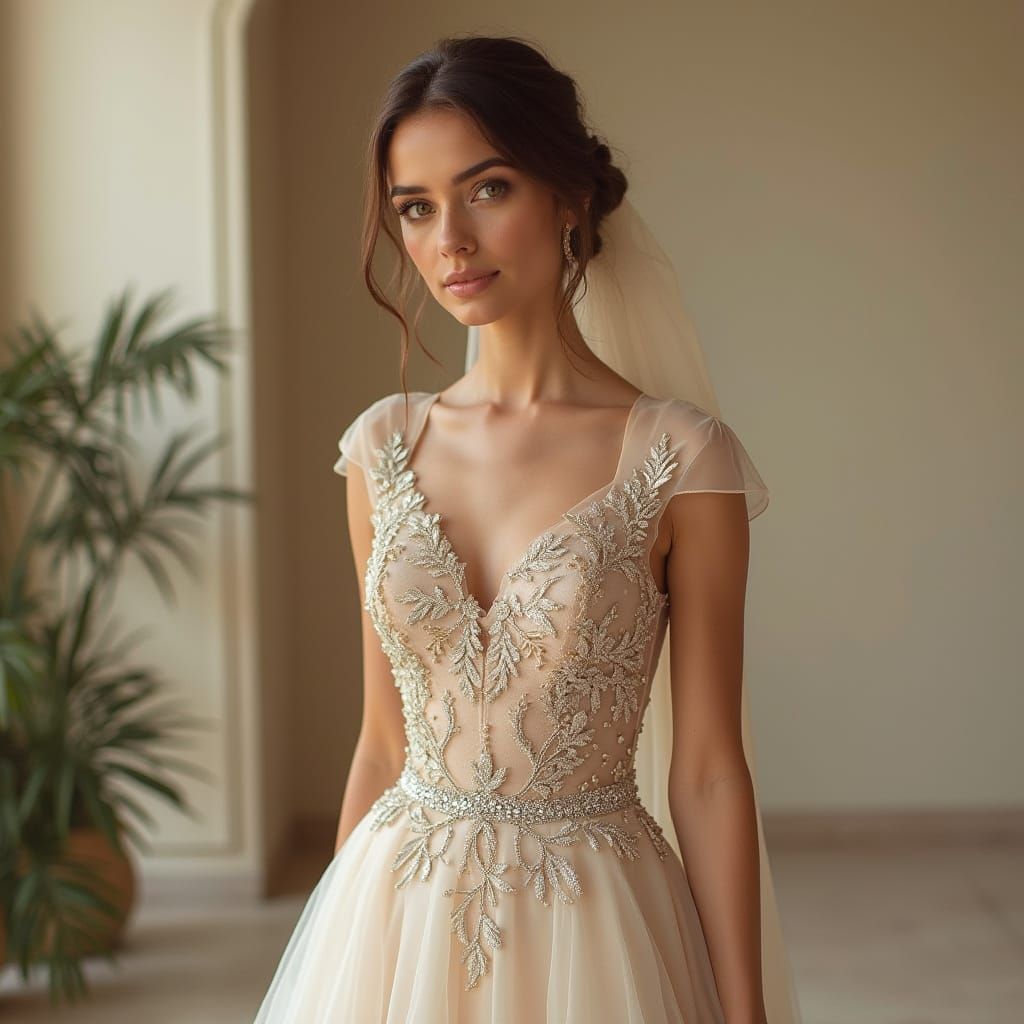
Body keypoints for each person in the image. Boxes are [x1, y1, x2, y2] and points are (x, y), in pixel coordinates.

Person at [253, 34, 802, 1024]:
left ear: (567, 196)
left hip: (594, 923)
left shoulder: (683, 459)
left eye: (487, 189)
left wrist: (743, 1009)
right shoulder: (380, 448)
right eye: (415, 207)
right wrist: (331, 955)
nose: (448, 240)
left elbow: (711, 769)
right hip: (397, 911)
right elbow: (382, 744)